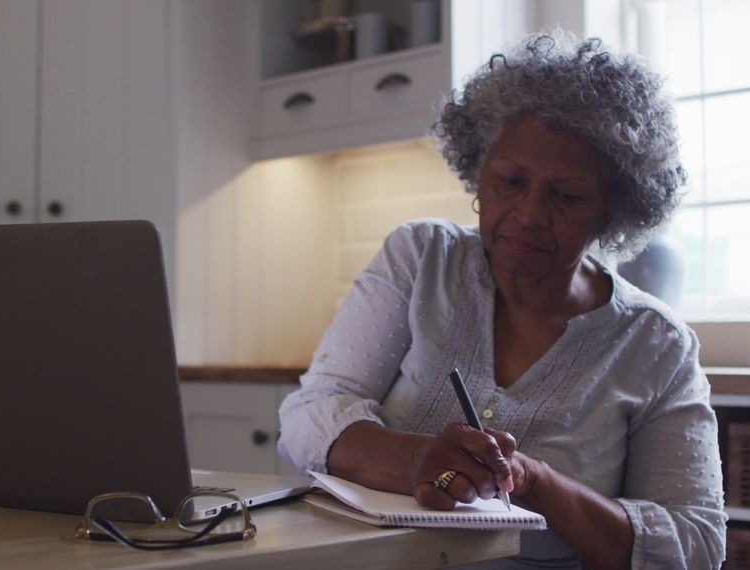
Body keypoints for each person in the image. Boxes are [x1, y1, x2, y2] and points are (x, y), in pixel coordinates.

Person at [278, 32, 726, 570]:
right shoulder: (422, 259)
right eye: (510, 181)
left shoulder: (656, 346)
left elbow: (695, 545)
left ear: (614, 209)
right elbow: (310, 417)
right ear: (478, 172)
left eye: (567, 196)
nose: (530, 214)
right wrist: (415, 458)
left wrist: (537, 484)